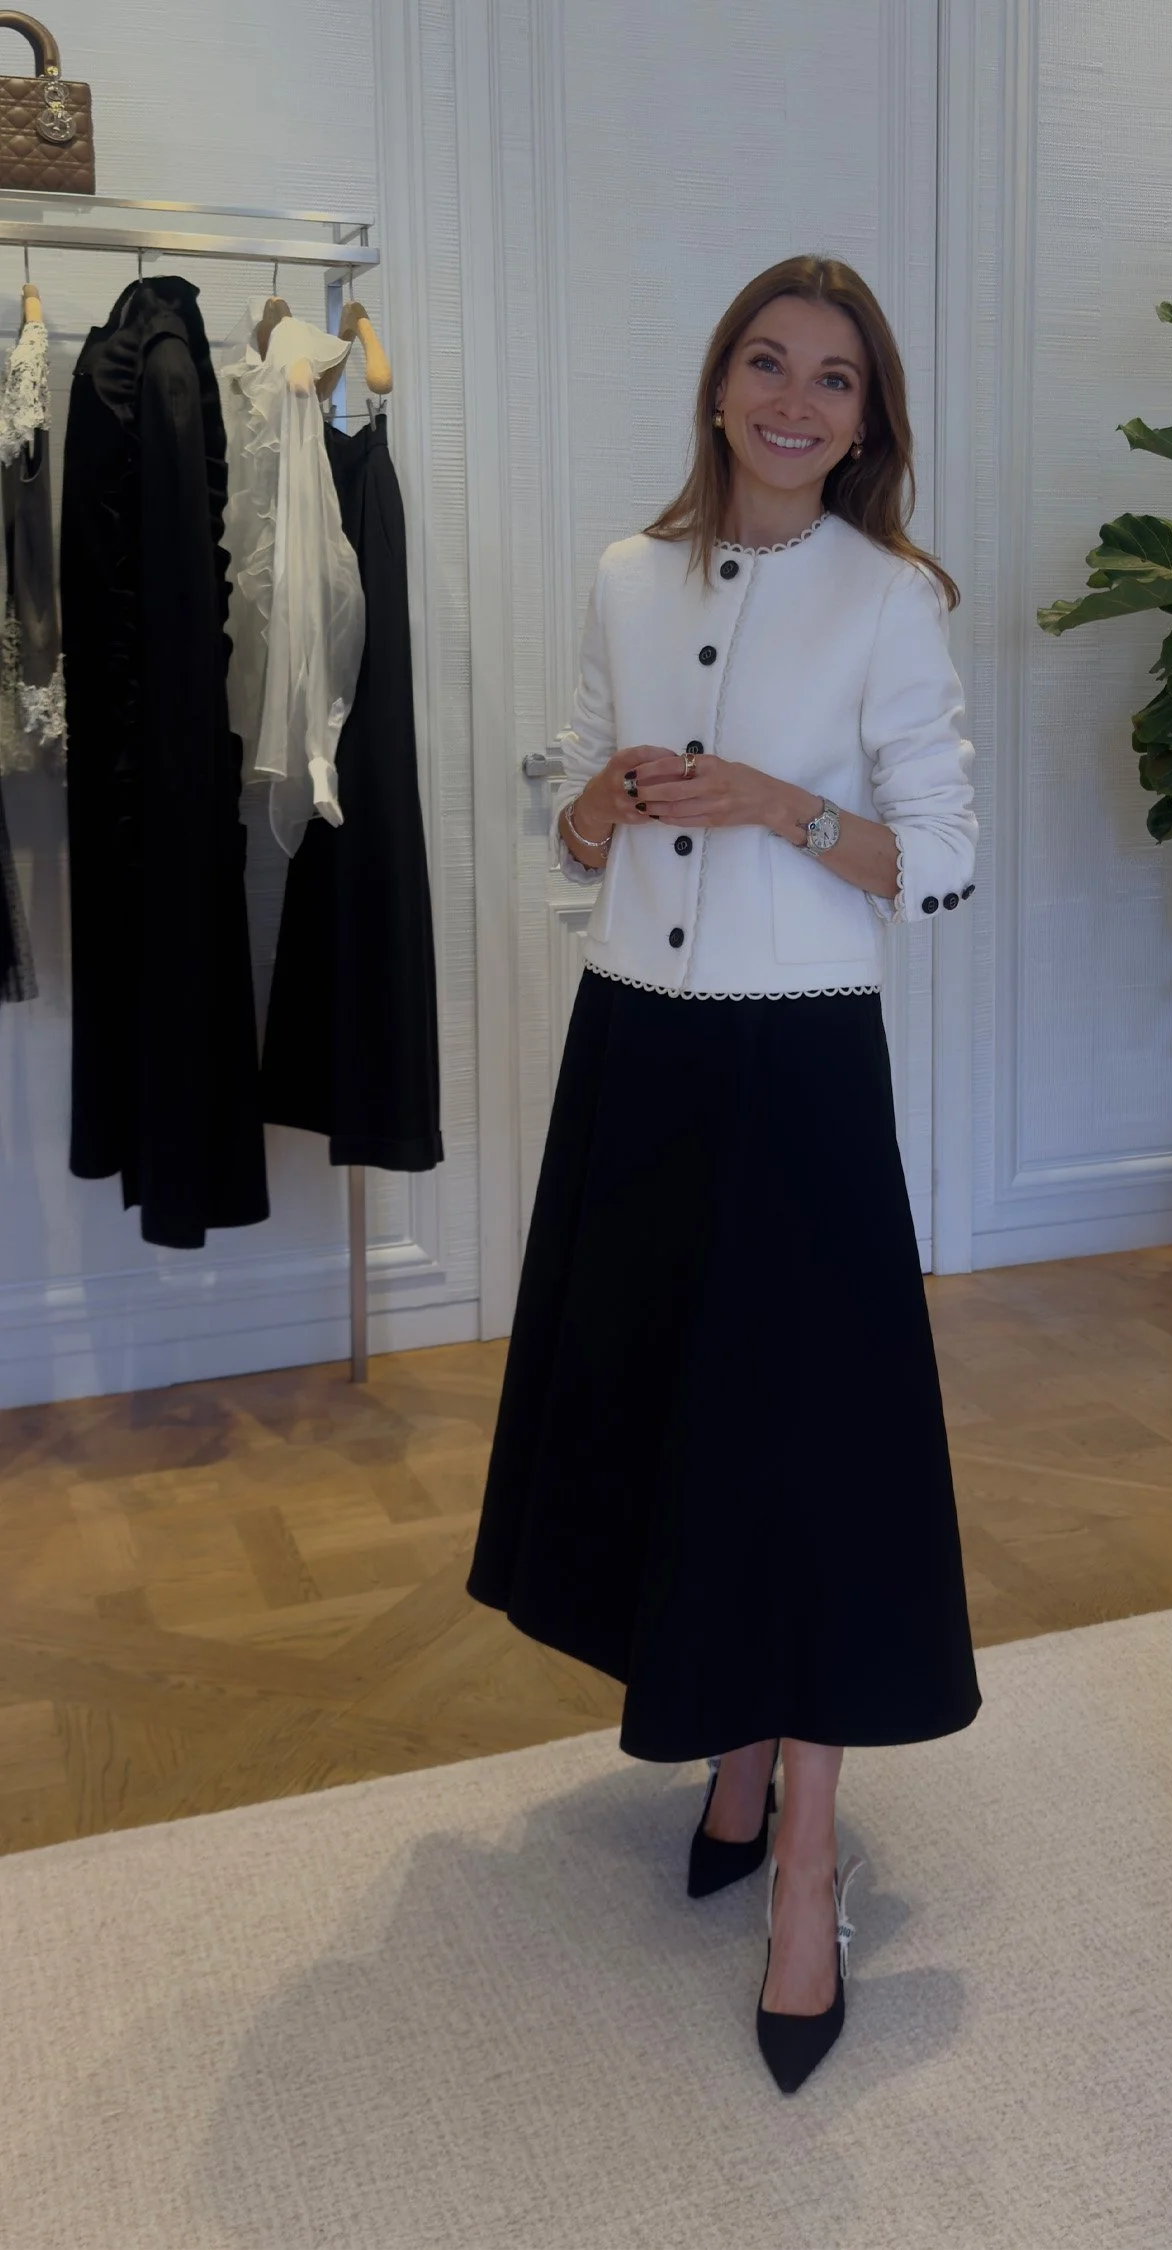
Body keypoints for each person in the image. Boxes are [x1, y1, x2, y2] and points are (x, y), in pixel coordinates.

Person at [467, 252, 982, 2094]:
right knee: (670, 1418)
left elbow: (940, 858)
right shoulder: (626, 572)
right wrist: (595, 805)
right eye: (768, 363)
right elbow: (573, 800)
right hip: (639, 1052)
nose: (795, 400)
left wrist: (776, 802)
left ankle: (809, 1868)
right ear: (718, 387)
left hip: (800, 1066)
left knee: (809, 1456)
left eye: (835, 379)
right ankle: (735, 1751)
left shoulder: (891, 596)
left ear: (867, 421)